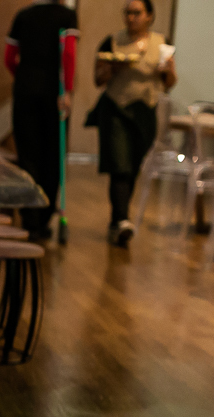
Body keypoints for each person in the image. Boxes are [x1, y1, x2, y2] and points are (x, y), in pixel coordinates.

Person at [85, 0, 176, 247]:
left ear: (149, 16)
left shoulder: (162, 43)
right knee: (119, 164)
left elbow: (169, 83)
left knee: (133, 164)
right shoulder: (111, 42)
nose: (131, 17)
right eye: (128, 13)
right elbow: (98, 79)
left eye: (137, 13)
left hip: (145, 111)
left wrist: (167, 69)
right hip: (116, 109)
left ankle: (118, 220)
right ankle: (122, 220)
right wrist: (115, 68)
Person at [5, 0, 80, 240]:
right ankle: (45, 218)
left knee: (28, 155)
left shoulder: (23, 15)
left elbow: (9, 57)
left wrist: (24, 77)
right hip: (54, 94)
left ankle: (30, 218)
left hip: (25, 91)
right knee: (52, 156)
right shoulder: (67, 16)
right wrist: (67, 90)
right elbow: (68, 54)